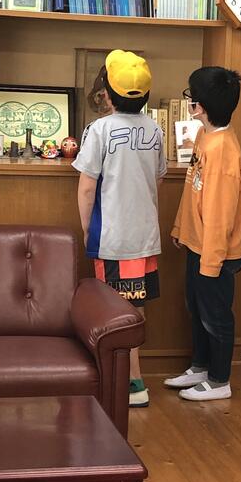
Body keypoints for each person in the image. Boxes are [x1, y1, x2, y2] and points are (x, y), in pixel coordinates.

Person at [73, 50, 166, 408]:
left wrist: (86, 229)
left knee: (117, 312)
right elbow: (158, 179)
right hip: (145, 237)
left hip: (112, 237)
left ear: (107, 94)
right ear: (146, 95)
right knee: (136, 308)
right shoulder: (155, 129)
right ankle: (129, 380)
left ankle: (131, 384)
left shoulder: (99, 130)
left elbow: (86, 187)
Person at [166, 67, 241, 402]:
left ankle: (219, 380)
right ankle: (200, 367)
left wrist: (211, 262)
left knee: (216, 317)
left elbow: (220, 216)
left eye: (190, 95)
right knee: (197, 310)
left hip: (215, 253)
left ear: (198, 106)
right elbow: (192, 191)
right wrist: (180, 228)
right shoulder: (204, 136)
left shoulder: (224, 150)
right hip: (197, 244)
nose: (188, 100)